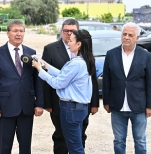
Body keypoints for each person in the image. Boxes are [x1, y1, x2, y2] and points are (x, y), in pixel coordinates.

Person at [33, 29, 95, 154]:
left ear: (79, 44)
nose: (68, 43)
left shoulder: (75, 63)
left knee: (74, 147)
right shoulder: (84, 61)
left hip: (70, 108)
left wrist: (39, 70)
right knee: (76, 143)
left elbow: (58, 83)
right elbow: (63, 75)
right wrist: (45, 65)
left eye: (71, 41)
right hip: (79, 108)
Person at [0, 19, 44, 154]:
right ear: (7, 33)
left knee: (25, 147)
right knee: (4, 146)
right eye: (15, 31)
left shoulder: (31, 52)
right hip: (5, 108)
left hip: (27, 107)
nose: (18, 34)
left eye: (21, 31)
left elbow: (38, 81)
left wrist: (39, 104)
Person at [102, 22, 151, 154]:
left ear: (137, 38)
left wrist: (149, 106)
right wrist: (106, 101)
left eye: (130, 35)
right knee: (118, 140)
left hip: (139, 106)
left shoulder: (146, 55)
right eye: (124, 34)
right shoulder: (111, 54)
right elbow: (107, 80)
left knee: (140, 140)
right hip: (117, 106)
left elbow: (149, 82)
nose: (126, 37)